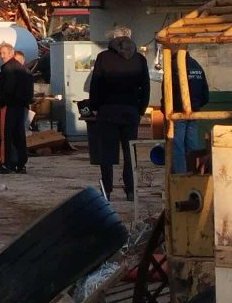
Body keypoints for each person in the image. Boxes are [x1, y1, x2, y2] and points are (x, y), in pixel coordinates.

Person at [88, 26, 150, 201]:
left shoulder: (103, 57)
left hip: (107, 110)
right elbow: (145, 86)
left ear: (113, 40)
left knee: (107, 152)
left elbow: (96, 84)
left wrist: (95, 106)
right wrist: (141, 109)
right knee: (130, 152)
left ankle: (107, 190)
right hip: (131, 110)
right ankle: (130, 190)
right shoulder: (139, 59)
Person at [162, 51, 210, 173]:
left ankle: (180, 177)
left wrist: (165, 109)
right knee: (192, 146)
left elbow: (166, 90)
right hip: (194, 113)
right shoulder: (196, 65)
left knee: (177, 147)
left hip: (177, 113)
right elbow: (205, 95)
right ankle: (194, 174)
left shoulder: (172, 66)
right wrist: (195, 106)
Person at [0, 43, 34, 174]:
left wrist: (0, 102)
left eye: (4, 53)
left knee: (5, 135)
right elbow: (29, 91)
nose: (2, 56)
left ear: (11, 53)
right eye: (0, 53)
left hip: (8, 106)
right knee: (19, 135)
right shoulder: (24, 70)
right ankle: (21, 164)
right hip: (20, 107)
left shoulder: (7, 69)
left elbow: (7, 89)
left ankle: (6, 164)